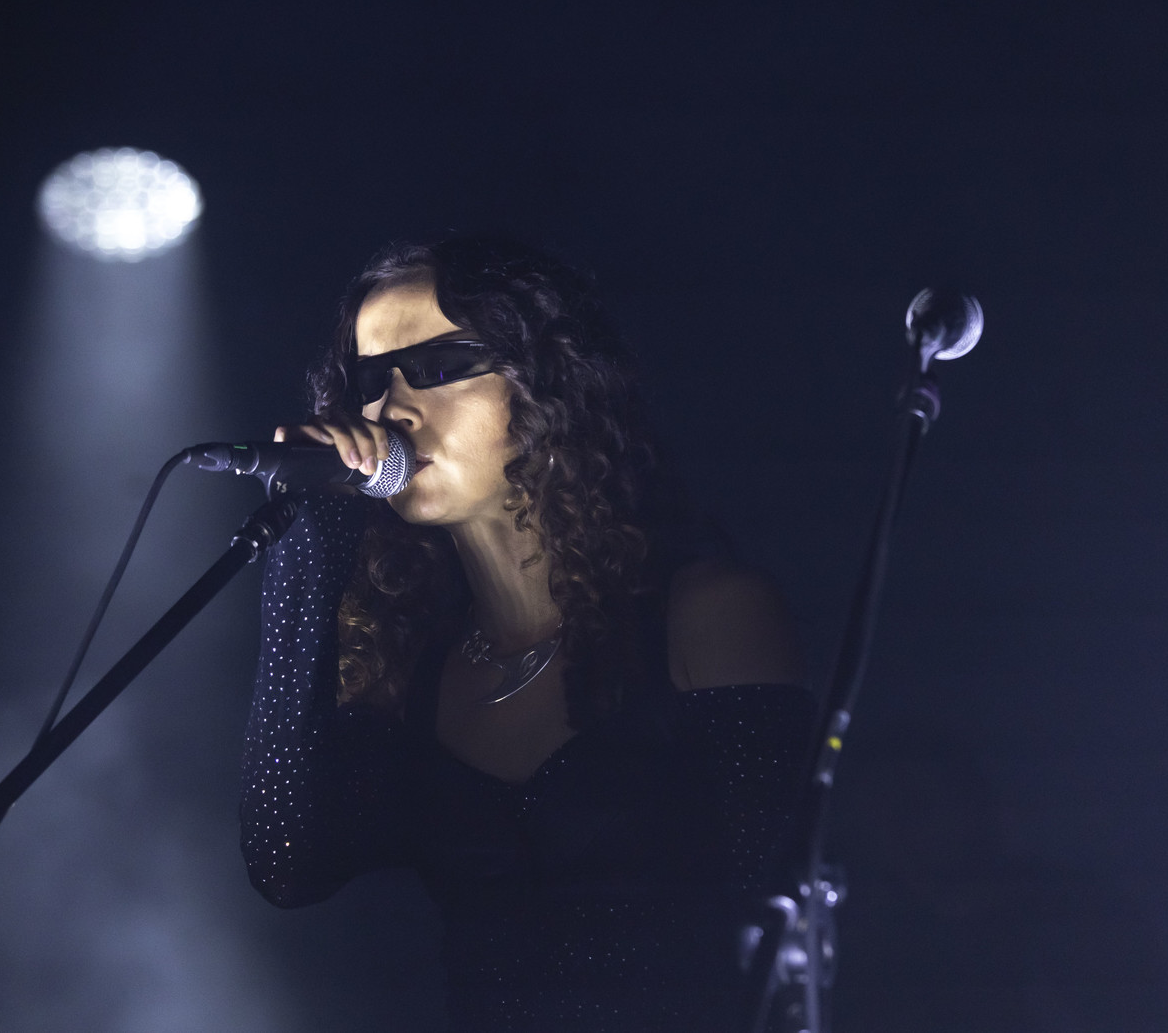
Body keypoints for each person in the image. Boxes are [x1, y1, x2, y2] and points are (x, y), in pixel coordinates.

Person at [239, 237, 815, 1032]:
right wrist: (306, 546)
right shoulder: (418, 664)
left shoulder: (708, 614)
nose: (393, 408)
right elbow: (287, 865)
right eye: (372, 380)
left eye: (440, 366)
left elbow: (780, 928)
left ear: (547, 381)